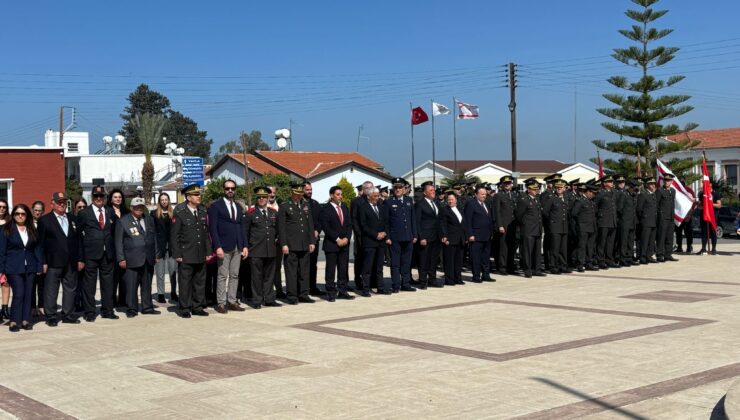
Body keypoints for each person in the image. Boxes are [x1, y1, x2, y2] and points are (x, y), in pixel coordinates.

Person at [37, 192, 82, 326]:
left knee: (70, 288)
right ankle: (51, 315)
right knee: (51, 289)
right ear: (53, 203)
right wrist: (43, 261)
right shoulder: (45, 220)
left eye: (63, 201)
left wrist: (80, 259)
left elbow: (79, 241)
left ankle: (68, 314)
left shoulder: (73, 219)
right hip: (53, 261)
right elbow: (41, 244)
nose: (62, 204)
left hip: (71, 261)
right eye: (59, 202)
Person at [77, 185, 118, 321]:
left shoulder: (110, 211)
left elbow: (114, 232)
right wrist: (81, 257)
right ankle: (89, 312)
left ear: (105, 198)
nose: (99, 198)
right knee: (89, 285)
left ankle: (108, 310)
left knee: (108, 284)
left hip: (108, 254)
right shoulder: (84, 213)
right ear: (92, 197)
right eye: (96, 196)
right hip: (90, 254)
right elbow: (78, 236)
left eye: (101, 196)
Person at [0, 204, 43, 332]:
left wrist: (39, 265)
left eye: (23, 214)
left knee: (28, 294)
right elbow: (1, 251)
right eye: (17, 213)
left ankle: (25, 320)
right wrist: (1, 271)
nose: (20, 216)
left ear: (27, 215)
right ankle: (14, 321)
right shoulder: (6, 229)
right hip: (13, 267)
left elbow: (37, 249)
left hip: (30, 266)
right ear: (13, 215)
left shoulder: (32, 229)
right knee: (19, 293)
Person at [208, 179, 248, 314]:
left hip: (238, 246)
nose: (230, 191)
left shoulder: (238, 206)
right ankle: (221, 303)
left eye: (232, 188)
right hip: (223, 246)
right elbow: (213, 228)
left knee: (235, 275)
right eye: (227, 188)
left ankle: (231, 301)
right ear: (223, 190)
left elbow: (242, 227)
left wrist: (245, 246)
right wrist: (217, 246)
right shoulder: (216, 206)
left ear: (235, 190)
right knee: (222, 275)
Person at [171, 184, 211, 318]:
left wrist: (208, 252)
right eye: (196, 194)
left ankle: (197, 307)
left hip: (200, 253)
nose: (199, 196)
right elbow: (175, 236)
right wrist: (177, 254)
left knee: (199, 282)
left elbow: (205, 234)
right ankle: (185, 308)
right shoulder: (180, 213)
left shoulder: (202, 212)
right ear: (188, 197)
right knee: (185, 283)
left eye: (199, 194)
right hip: (186, 254)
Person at [115, 197, 159, 317]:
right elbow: (118, 242)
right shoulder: (123, 221)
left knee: (147, 285)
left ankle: (147, 307)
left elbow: (153, 237)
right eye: (136, 207)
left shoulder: (149, 219)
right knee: (131, 286)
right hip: (131, 258)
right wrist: (121, 258)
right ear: (131, 208)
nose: (139, 209)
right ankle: (131, 308)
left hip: (148, 257)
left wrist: (156, 253)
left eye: (141, 207)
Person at [278, 181, 316, 305]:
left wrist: (312, 241)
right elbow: (281, 227)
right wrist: (283, 244)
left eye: (300, 193)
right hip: (291, 245)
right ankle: (292, 295)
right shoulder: (284, 206)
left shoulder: (305, 205)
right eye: (296, 194)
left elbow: (310, 224)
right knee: (291, 272)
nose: (299, 196)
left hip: (304, 244)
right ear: (292, 193)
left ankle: (303, 294)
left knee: (304, 271)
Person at [244, 187, 281, 309]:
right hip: (256, 250)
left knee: (270, 276)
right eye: (259, 197)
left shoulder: (273, 213)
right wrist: (246, 247)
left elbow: (277, 230)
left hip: (270, 250)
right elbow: (246, 232)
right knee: (256, 277)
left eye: (264, 197)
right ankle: (257, 300)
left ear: (267, 198)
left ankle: (269, 299)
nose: (261, 199)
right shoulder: (250, 214)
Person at [319, 186, 354, 301]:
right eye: (338, 194)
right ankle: (330, 292)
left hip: (344, 244)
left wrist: (347, 238)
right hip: (332, 244)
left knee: (343, 269)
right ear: (331, 195)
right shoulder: (326, 208)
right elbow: (326, 226)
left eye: (341, 194)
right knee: (331, 270)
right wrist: (337, 239)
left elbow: (349, 224)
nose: (340, 196)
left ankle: (343, 290)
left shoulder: (344, 206)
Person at [384, 177, 417, 292]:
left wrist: (415, 235)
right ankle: (396, 285)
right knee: (395, 263)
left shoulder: (409, 201)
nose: (398, 189)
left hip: (408, 237)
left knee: (406, 262)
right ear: (393, 189)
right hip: (395, 238)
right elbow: (386, 222)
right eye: (396, 188)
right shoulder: (388, 202)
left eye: (400, 187)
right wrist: (387, 237)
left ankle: (406, 283)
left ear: (404, 189)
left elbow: (413, 219)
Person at [357, 187, 389, 295]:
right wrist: (376, 235)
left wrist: (384, 232)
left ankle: (380, 287)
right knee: (367, 266)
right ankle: (366, 288)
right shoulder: (363, 207)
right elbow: (363, 225)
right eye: (375, 196)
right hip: (370, 241)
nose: (377, 198)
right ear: (368, 196)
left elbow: (386, 221)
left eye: (378, 196)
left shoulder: (381, 206)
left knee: (379, 266)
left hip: (381, 242)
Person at [464, 185, 494, 283]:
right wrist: (470, 234)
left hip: (486, 235)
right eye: (482, 194)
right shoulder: (471, 204)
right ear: (476, 194)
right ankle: (476, 276)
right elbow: (468, 220)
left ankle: (486, 274)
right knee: (476, 257)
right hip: (476, 236)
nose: (484, 196)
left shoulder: (486, 204)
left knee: (485, 257)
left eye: (485, 194)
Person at [415, 181, 442, 289]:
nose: (433, 192)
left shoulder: (436, 203)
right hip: (425, 237)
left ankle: (432, 279)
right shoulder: (420, 204)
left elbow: (440, 220)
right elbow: (417, 222)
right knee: (423, 260)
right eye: (431, 190)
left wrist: (443, 234)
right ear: (425, 193)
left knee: (433, 260)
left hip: (436, 237)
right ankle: (422, 281)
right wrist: (421, 237)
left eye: (434, 190)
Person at [151, 193, 177, 303]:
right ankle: (161, 294)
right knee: (160, 272)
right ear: (159, 201)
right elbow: (152, 232)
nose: (164, 201)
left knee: (173, 272)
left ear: (169, 201)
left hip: (171, 247)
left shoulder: (174, 214)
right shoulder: (154, 214)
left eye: (166, 199)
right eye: (162, 200)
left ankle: (173, 293)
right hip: (159, 247)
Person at [516, 178, 545, 278]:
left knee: (537, 251)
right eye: (534, 189)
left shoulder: (537, 199)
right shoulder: (523, 200)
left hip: (537, 229)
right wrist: (525, 225)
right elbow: (519, 215)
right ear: (528, 189)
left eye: (537, 189)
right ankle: (527, 269)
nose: (536, 191)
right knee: (527, 251)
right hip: (528, 230)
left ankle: (537, 269)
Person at [542, 179, 570, 274]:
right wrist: (552, 221)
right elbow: (545, 211)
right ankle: (553, 266)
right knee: (555, 248)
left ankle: (563, 265)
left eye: (561, 187)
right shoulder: (551, 198)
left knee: (563, 248)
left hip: (564, 227)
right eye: (557, 187)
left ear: (564, 188)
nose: (559, 189)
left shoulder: (566, 198)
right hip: (555, 227)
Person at [107, 189, 129, 307]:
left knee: (124, 276)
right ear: (111, 199)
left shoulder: (126, 212)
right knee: (113, 277)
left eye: (119, 197)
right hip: (111, 247)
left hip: (125, 247)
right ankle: (112, 300)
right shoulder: (107, 211)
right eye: (115, 197)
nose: (118, 199)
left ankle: (123, 300)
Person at [350, 181, 373, 292]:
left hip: (372, 236)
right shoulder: (357, 201)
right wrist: (359, 233)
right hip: (361, 235)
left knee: (370, 260)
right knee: (359, 258)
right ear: (363, 190)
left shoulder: (374, 200)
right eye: (367, 188)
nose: (369, 190)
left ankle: (370, 281)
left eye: (371, 187)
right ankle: (358, 281)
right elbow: (354, 219)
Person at [303, 181, 325, 296]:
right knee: (302, 266)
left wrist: (317, 230)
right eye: (307, 190)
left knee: (313, 265)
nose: (310, 192)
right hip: (302, 240)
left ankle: (313, 286)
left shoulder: (315, 204)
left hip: (314, 240)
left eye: (310, 190)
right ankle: (302, 288)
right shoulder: (300, 204)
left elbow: (320, 220)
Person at [439, 191, 465, 286]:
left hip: (460, 239)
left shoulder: (460, 209)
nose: (450, 201)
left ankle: (458, 278)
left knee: (458, 260)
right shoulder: (444, 210)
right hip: (450, 239)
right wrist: (445, 236)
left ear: (456, 200)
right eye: (448, 200)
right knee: (449, 261)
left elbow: (463, 224)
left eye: (452, 199)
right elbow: (443, 224)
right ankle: (449, 280)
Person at [571, 183, 599, 272]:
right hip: (583, 227)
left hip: (592, 227)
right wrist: (578, 225)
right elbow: (574, 214)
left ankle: (588, 263)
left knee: (590, 247)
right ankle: (580, 264)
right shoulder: (580, 201)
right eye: (593, 193)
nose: (594, 195)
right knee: (582, 247)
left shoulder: (591, 202)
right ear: (588, 192)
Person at [493, 176, 517, 275]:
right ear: (502, 185)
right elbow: (497, 211)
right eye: (505, 183)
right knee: (503, 247)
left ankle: (510, 266)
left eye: (509, 183)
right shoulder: (499, 195)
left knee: (512, 246)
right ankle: (502, 267)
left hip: (513, 225)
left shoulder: (514, 195)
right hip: (504, 225)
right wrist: (500, 225)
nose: (507, 185)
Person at [594, 175, 618, 269]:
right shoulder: (601, 193)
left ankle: (609, 259)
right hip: (603, 221)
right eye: (610, 182)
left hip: (612, 221)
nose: (612, 183)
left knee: (610, 242)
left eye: (612, 181)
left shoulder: (612, 193)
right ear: (604, 184)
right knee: (602, 242)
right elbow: (595, 206)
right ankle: (600, 260)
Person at [266, 186, 285, 299]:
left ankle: (279, 290)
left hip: (277, 244)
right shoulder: (258, 207)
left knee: (277, 267)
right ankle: (266, 291)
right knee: (266, 268)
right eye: (269, 193)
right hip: (264, 244)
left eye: (274, 192)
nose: (272, 195)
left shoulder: (281, 207)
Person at [656, 173, 677, 262]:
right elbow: (656, 205)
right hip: (663, 218)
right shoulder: (660, 191)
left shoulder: (673, 191)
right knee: (661, 237)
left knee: (669, 237)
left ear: (671, 181)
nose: (667, 182)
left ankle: (668, 254)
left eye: (668, 180)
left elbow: (672, 204)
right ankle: (660, 255)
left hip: (671, 217)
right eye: (665, 180)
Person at [636, 177, 659, 264]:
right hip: (646, 221)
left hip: (653, 221)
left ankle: (649, 256)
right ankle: (642, 257)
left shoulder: (653, 195)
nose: (653, 185)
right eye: (651, 184)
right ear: (647, 185)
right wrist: (643, 218)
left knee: (651, 240)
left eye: (654, 184)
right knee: (644, 240)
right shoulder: (643, 194)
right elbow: (639, 209)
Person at [30, 200, 45, 320]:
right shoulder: (27, 223)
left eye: (40, 210)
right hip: (30, 258)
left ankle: (41, 306)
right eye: (35, 210)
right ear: (32, 210)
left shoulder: (45, 223)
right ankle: (32, 307)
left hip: (43, 258)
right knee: (31, 285)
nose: (37, 212)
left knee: (42, 284)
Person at [696, 186, 721, 255]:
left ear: (710, 185)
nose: (704, 187)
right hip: (704, 216)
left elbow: (719, 205)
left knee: (713, 232)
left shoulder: (716, 194)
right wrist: (699, 204)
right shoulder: (702, 194)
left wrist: (710, 204)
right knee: (704, 232)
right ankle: (703, 249)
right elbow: (700, 206)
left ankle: (713, 249)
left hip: (713, 216)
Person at [675, 181, 695, 254]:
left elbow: (693, 202)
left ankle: (689, 246)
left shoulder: (689, 191)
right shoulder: (676, 190)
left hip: (687, 215)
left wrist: (690, 213)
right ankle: (679, 246)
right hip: (679, 214)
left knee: (688, 232)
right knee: (678, 232)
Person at [0, 198, 10, 323]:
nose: (1, 208)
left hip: (6, 256)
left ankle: (5, 308)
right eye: (0, 206)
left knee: (5, 283)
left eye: (4, 207)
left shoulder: (9, 222)